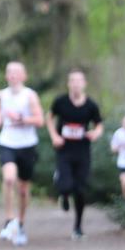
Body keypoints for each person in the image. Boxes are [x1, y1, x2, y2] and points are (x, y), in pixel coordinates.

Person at [46, 68, 103, 240]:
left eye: (79, 81)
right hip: (64, 150)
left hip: (82, 151)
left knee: (80, 190)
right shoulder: (61, 102)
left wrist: (95, 133)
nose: (76, 84)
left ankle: (77, 227)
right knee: (65, 185)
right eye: (73, 81)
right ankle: (63, 194)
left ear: (84, 84)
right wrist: (54, 136)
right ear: (69, 84)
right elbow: (48, 117)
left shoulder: (91, 105)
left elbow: (99, 124)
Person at [0, 61, 43, 246]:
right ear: (6, 76)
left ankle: (20, 223)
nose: (13, 75)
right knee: (8, 179)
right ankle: (9, 219)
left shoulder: (30, 95)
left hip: (27, 144)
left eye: (16, 72)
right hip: (7, 142)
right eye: (10, 72)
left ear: (24, 76)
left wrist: (22, 119)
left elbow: (40, 120)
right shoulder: (1, 95)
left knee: (23, 190)